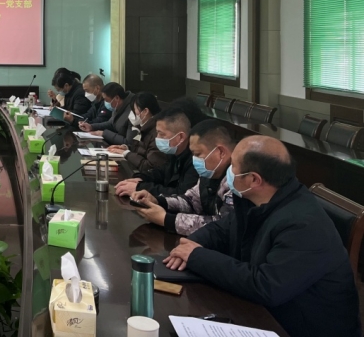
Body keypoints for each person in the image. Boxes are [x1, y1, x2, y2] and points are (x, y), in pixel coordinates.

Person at [164, 135, 361, 337]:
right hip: (266, 313)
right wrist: (191, 244)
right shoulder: (254, 199)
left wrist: (196, 256)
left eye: (233, 166)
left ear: (254, 179)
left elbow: (266, 286)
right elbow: (222, 229)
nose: (229, 171)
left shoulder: (304, 225)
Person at [131, 119, 236, 235]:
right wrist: (158, 201)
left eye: (198, 154)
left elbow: (223, 226)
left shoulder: (238, 180)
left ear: (221, 152)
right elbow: (191, 201)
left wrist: (166, 219)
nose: (194, 160)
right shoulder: (210, 173)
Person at [115, 100, 200, 198]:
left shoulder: (196, 161)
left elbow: (182, 195)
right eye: (157, 133)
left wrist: (141, 188)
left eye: (162, 134)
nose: (157, 138)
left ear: (180, 137)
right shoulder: (175, 153)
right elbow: (161, 173)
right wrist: (140, 179)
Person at [107, 91, 167, 173]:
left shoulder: (157, 132)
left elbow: (150, 166)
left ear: (145, 111)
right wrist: (127, 148)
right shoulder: (143, 126)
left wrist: (127, 153)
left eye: (134, 109)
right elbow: (141, 150)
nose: (132, 113)